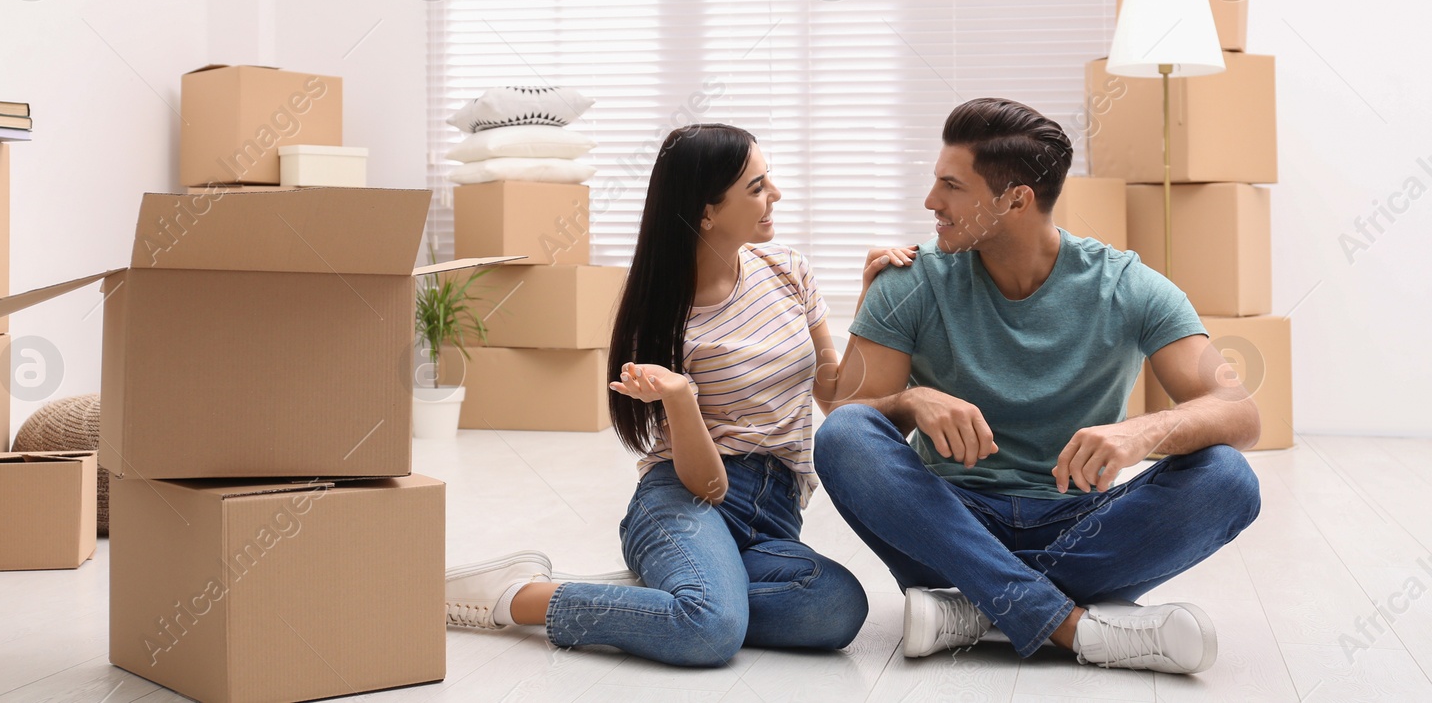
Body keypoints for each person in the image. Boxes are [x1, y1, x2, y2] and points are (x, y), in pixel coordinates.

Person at [815, 97, 1262, 676]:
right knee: (845, 434)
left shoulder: (1127, 285)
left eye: (951, 186)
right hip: (947, 522)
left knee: (1229, 479)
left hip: (1080, 528)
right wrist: (908, 400)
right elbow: (850, 419)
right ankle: (1069, 623)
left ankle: (977, 610)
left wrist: (1140, 432)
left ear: (1016, 198)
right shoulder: (912, 278)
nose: (931, 202)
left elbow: (1240, 413)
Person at [444, 123, 901, 667]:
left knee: (836, 608)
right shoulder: (664, 322)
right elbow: (706, 484)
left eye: (768, 180)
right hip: (686, 499)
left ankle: (680, 591)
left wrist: (873, 299)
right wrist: (681, 397)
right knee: (710, 631)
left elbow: (835, 396)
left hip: (774, 514)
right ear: (706, 211)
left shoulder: (788, 271)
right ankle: (517, 597)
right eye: (756, 187)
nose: (774, 195)